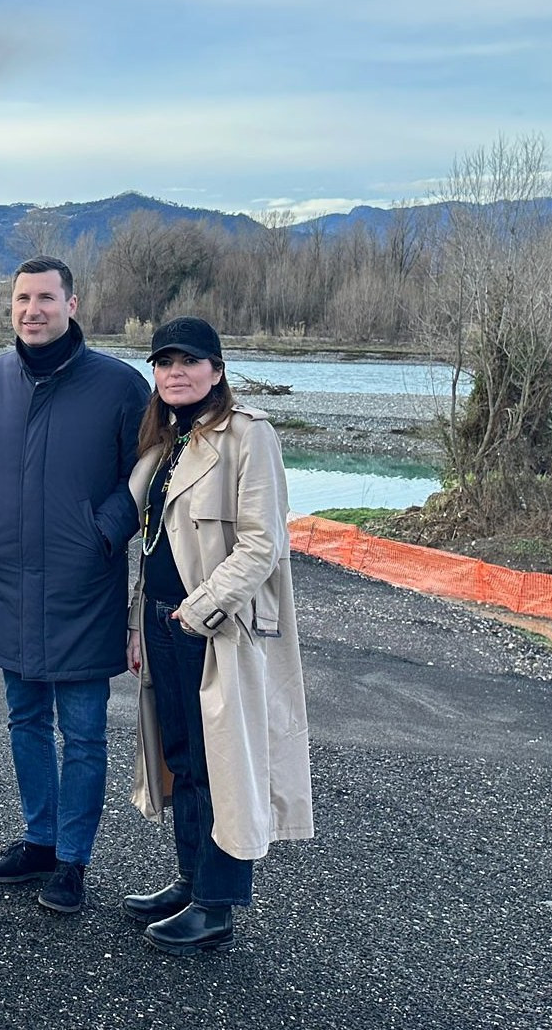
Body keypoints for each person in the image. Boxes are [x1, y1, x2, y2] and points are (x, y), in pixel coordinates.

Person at [0, 256, 149, 913]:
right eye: (21, 299)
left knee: (85, 732)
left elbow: (144, 472)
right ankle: (38, 840)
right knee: (24, 718)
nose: (31, 310)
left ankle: (73, 861)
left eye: (44, 298)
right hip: (8, 580)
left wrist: (104, 531)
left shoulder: (120, 386)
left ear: (72, 304)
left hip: (82, 585)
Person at [124, 315, 314, 954]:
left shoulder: (248, 435)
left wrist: (198, 609)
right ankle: (189, 883)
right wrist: (140, 622)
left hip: (215, 626)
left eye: (189, 361)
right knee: (181, 761)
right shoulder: (165, 441)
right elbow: (152, 542)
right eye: (164, 362)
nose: (175, 372)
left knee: (222, 764)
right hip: (162, 620)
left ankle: (217, 905)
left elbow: (263, 542)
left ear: (218, 369)